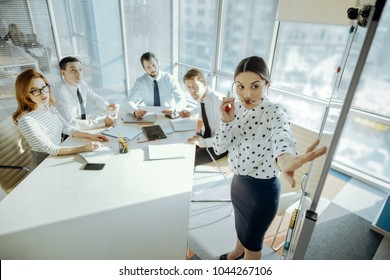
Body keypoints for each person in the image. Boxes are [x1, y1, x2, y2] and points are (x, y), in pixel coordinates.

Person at [189, 56, 327, 260]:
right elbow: (218, 147)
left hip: (261, 193)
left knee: (253, 245)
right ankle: (237, 252)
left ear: (267, 85)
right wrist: (226, 122)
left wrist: (285, 158)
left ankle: (244, 255)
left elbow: (282, 135)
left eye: (255, 86)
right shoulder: (234, 109)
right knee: (240, 226)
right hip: (238, 184)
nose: (246, 94)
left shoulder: (274, 112)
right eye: (240, 86)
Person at [12, 69, 109, 170]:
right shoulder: (26, 120)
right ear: (25, 95)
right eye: (35, 90)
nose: (43, 93)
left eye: (44, 87)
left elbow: (67, 128)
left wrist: (91, 135)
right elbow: (51, 149)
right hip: (44, 165)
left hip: (60, 154)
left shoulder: (47, 106)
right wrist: (83, 148)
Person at [53, 56, 118, 131]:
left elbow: (95, 98)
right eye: (73, 70)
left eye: (80, 69)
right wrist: (102, 122)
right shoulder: (60, 91)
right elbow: (70, 123)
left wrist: (108, 106)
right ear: (63, 73)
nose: (78, 73)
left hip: (82, 124)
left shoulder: (82, 84)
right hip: (70, 132)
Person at [182, 68, 227, 165]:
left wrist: (205, 143)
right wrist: (189, 113)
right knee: (181, 148)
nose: (192, 91)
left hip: (218, 144)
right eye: (188, 87)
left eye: (194, 86)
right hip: (204, 137)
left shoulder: (219, 101)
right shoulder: (201, 97)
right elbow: (199, 108)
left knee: (187, 160)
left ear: (204, 83)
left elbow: (227, 136)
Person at [128, 52, 187, 119]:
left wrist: (174, 109)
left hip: (169, 116)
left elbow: (182, 100)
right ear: (144, 68)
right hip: (149, 117)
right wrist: (135, 111)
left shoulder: (170, 79)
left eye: (154, 65)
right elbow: (130, 100)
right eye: (148, 67)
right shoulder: (140, 82)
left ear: (158, 63)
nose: (152, 69)